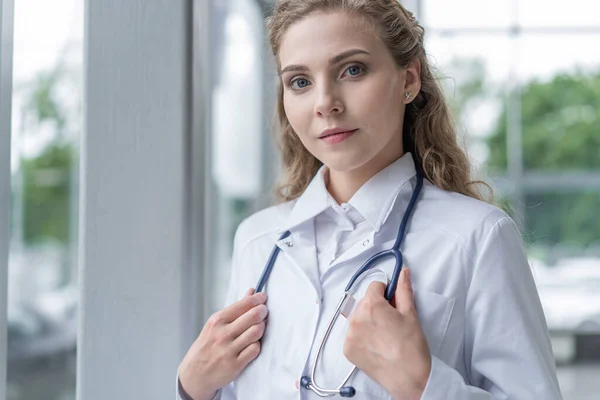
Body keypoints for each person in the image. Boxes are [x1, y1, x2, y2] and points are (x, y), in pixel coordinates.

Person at [177, 0, 563, 399]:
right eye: (300, 82)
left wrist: (422, 384)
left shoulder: (478, 237)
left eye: (352, 70)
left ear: (409, 79)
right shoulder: (257, 240)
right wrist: (193, 388)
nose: (325, 102)